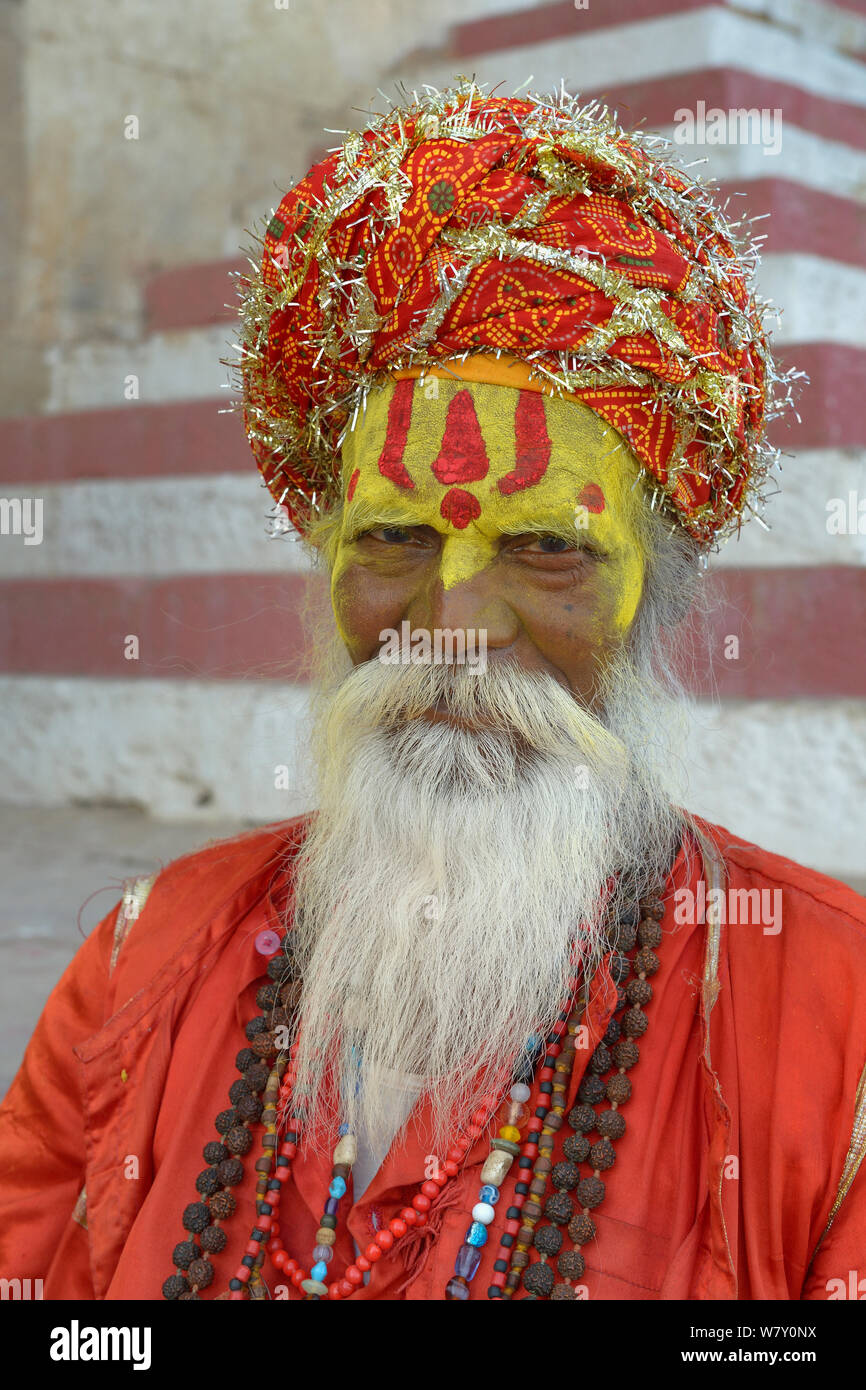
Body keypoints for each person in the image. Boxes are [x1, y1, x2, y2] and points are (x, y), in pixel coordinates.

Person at [1, 81, 864, 1303]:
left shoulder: (834, 1016)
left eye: (546, 548)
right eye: (395, 538)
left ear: (650, 600)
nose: (449, 627)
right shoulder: (142, 962)